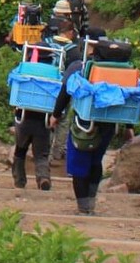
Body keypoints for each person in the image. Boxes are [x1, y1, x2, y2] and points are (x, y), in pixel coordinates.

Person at [47, 46, 129, 215]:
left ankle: (83, 206)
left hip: (84, 124)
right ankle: (90, 201)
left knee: (79, 163)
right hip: (108, 125)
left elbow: (66, 91)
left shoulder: (81, 67)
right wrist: (130, 126)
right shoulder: (125, 72)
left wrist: (56, 114)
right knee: (95, 160)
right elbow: (130, 97)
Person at [10, 107, 53, 191]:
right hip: (43, 120)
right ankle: (43, 178)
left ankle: (19, 181)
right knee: (41, 155)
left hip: (23, 117)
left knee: (20, 151)